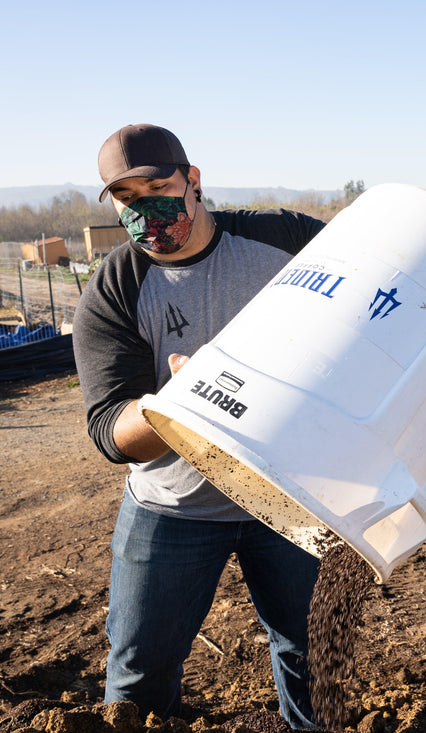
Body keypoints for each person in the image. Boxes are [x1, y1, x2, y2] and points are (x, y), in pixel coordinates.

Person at [73, 124, 327, 727]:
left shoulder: (283, 239)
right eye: (127, 199)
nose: (146, 209)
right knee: (140, 672)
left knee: (311, 651)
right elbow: (110, 431)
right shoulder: (114, 290)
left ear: (193, 180)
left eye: (158, 186)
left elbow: (372, 283)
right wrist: (181, 402)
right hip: (174, 507)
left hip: (291, 496)